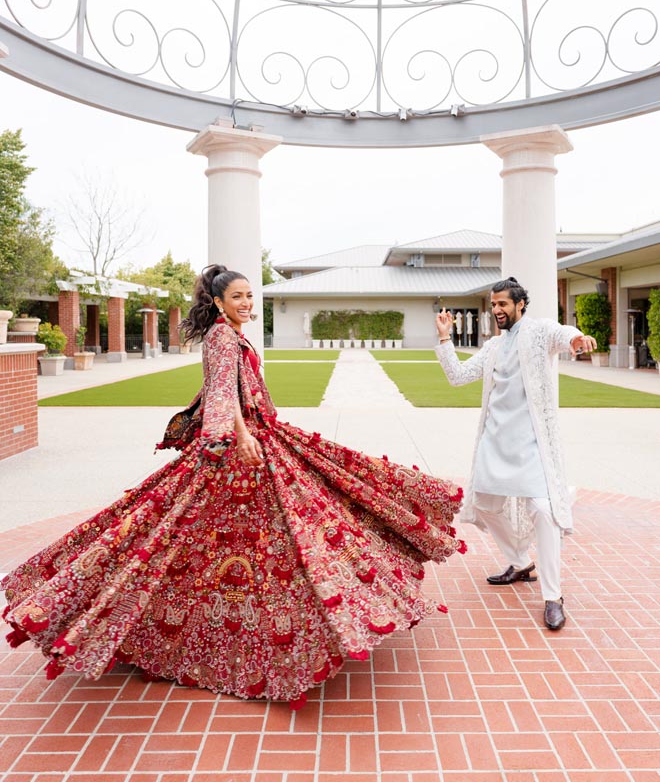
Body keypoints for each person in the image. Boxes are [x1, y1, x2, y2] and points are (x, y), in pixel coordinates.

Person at [3, 265, 465, 709]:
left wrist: (245, 430)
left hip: (257, 435)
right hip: (241, 446)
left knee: (260, 528)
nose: (246, 303)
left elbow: (227, 392)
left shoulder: (231, 334)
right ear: (219, 302)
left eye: (249, 296)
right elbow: (222, 392)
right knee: (246, 534)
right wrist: (239, 437)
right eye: (238, 297)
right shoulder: (223, 336)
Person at [434, 277, 596, 631]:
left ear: (520, 304)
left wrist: (576, 339)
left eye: (503, 304)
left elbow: (561, 333)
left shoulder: (538, 333)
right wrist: (445, 338)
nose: (497, 311)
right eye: (493, 305)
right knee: (485, 505)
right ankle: (520, 562)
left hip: (532, 443)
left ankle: (553, 597)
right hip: (494, 441)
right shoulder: (493, 347)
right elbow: (458, 376)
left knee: (543, 509)